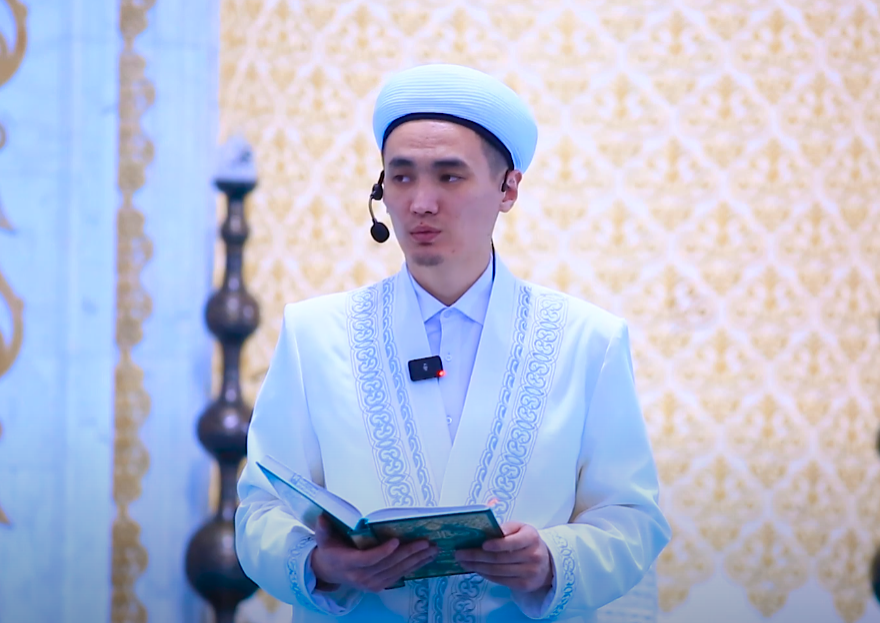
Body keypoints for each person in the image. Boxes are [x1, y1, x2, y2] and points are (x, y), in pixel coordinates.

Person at [234, 63, 671, 623]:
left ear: (508, 188)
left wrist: (551, 560)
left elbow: (632, 517)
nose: (421, 202)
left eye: (449, 176)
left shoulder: (587, 342)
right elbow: (260, 511)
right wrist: (321, 563)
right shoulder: (314, 334)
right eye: (402, 177)